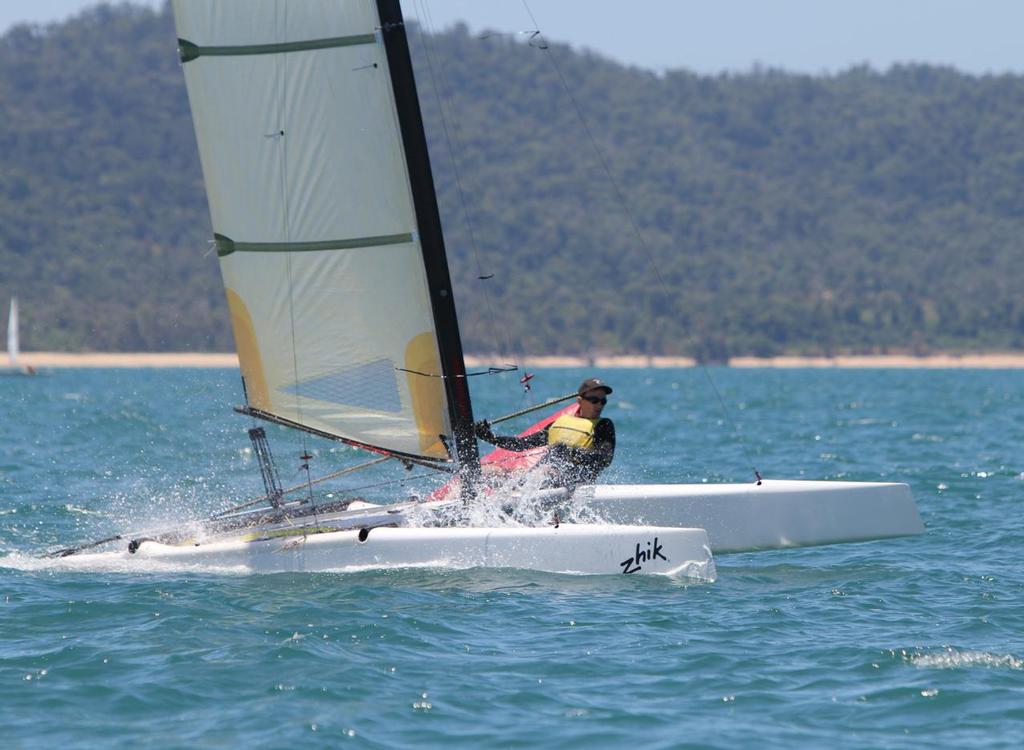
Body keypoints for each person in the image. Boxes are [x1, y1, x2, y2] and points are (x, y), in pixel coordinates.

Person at [474, 377, 616, 488]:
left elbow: (604, 459)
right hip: (539, 477)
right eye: (594, 400)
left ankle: (517, 493)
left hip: (571, 482)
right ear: (580, 400)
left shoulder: (604, 426)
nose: (599, 405)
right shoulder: (560, 423)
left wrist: (572, 453)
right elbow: (522, 444)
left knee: (544, 472)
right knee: (486, 471)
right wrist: (490, 437)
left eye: (603, 401)